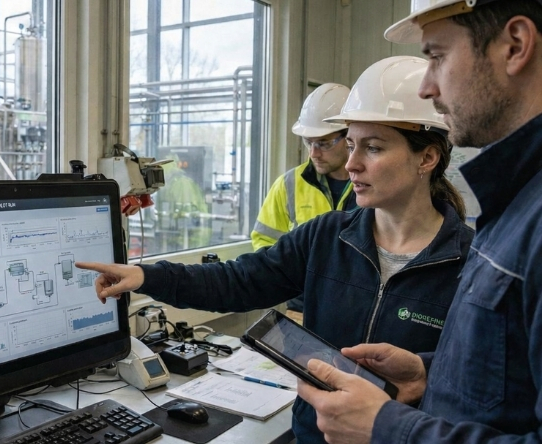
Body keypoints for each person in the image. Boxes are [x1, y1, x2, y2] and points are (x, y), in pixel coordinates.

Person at [77, 55, 473, 444]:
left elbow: (480, 380)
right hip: (314, 435)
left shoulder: (471, 263)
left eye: (372, 148)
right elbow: (237, 281)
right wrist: (147, 277)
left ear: (427, 157)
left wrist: (425, 371)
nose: (352, 164)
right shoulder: (326, 235)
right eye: (351, 145)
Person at [296, 1, 542, 443]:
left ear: (516, 45)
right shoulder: (514, 205)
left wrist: (388, 427)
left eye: (437, 57)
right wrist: (429, 372)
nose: (428, 87)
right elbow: (511, 387)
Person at [251, 83, 356, 316]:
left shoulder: (372, 187)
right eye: (309, 142)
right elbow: (265, 242)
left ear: (350, 136)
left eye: (323, 143)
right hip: (301, 312)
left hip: (356, 314)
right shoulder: (289, 184)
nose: (313, 153)